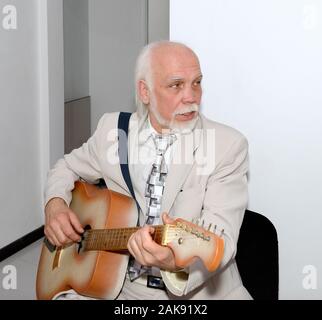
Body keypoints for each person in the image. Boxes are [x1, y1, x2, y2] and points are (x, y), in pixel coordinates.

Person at [44, 41, 252, 300]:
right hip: (118, 283)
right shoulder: (114, 131)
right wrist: (55, 204)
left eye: (196, 82)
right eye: (176, 85)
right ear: (145, 91)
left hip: (196, 292)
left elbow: (221, 240)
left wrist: (174, 262)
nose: (191, 96)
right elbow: (66, 166)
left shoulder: (226, 146)